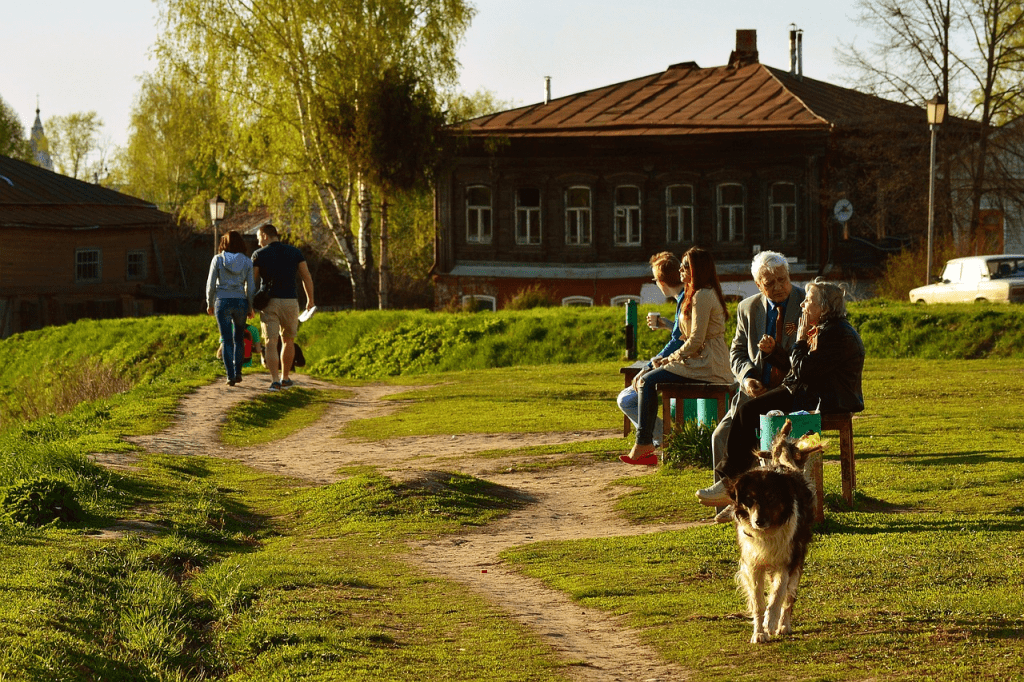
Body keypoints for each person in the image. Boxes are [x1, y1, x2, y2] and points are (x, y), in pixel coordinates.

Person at [697, 277, 865, 506]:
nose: (803, 305)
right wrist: (775, 351)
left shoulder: (838, 334)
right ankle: (739, 491)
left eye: (808, 301)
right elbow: (802, 369)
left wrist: (800, 340)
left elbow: (805, 370)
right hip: (810, 393)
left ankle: (731, 486)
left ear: (824, 308)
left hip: (825, 401)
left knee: (748, 412)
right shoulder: (827, 329)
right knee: (750, 412)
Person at [699, 251, 805, 515]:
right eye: (770, 284)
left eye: (783, 280)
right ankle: (730, 505)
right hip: (753, 393)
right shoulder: (748, 308)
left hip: (790, 391)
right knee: (719, 436)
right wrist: (746, 378)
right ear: (758, 285)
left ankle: (742, 499)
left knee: (752, 431)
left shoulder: (806, 301)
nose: (779, 287)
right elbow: (736, 352)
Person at [620, 247, 733, 466]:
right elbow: (684, 336)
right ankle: (646, 442)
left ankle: (644, 442)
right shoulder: (695, 293)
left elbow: (696, 340)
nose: (680, 270)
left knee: (647, 380)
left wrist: (669, 359)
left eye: (685, 266)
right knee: (647, 379)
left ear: (697, 269)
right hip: (696, 360)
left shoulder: (703, 295)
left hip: (708, 363)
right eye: (681, 265)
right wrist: (665, 357)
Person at [617, 252, 687, 445]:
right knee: (631, 393)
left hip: (685, 365)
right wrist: (667, 324)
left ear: (662, 283)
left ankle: (663, 438)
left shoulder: (684, 301)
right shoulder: (685, 297)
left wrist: (649, 366)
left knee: (626, 398)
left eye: (655, 280)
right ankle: (660, 437)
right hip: (685, 362)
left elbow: (678, 341)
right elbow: (684, 334)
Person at [251, 223, 315, 391]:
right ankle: (285, 378)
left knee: (271, 341)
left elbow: (251, 282)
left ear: (265, 235)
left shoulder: (258, 254)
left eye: (259, 239)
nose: (258, 243)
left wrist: (249, 304)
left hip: (269, 303)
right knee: (288, 340)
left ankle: (274, 381)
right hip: (290, 302)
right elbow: (306, 277)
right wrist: (310, 300)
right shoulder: (295, 252)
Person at [206, 230, 255, 387]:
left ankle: (230, 376)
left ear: (224, 243)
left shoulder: (218, 260)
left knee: (227, 340)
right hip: (240, 301)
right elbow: (251, 287)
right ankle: (238, 372)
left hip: (223, 301)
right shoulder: (247, 262)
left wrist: (209, 303)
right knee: (239, 338)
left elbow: (211, 284)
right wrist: (250, 306)